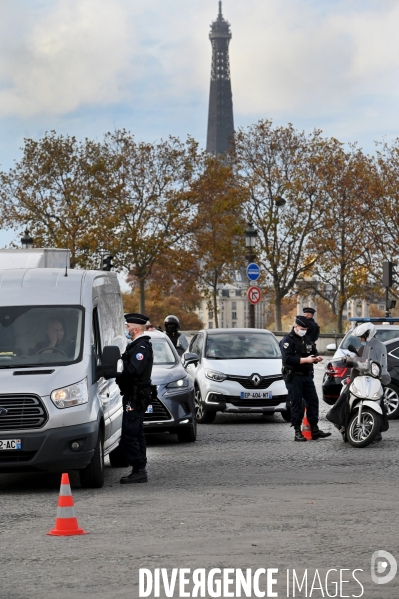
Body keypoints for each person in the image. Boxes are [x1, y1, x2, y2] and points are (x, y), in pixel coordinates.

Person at [280, 315, 331, 442]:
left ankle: (314, 429)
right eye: (302, 328)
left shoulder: (307, 339)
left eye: (305, 329)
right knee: (297, 403)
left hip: (307, 376)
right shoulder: (288, 340)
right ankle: (297, 431)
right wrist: (305, 360)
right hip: (294, 376)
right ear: (296, 327)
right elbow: (287, 359)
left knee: (313, 401)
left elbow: (313, 351)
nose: (304, 330)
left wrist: (316, 358)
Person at [117, 313, 154, 484]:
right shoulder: (137, 345)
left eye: (128, 326)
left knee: (130, 432)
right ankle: (140, 468)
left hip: (135, 396)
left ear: (136, 329)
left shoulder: (141, 347)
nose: (126, 329)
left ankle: (138, 468)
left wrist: (118, 367)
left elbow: (133, 370)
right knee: (136, 431)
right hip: (133, 394)